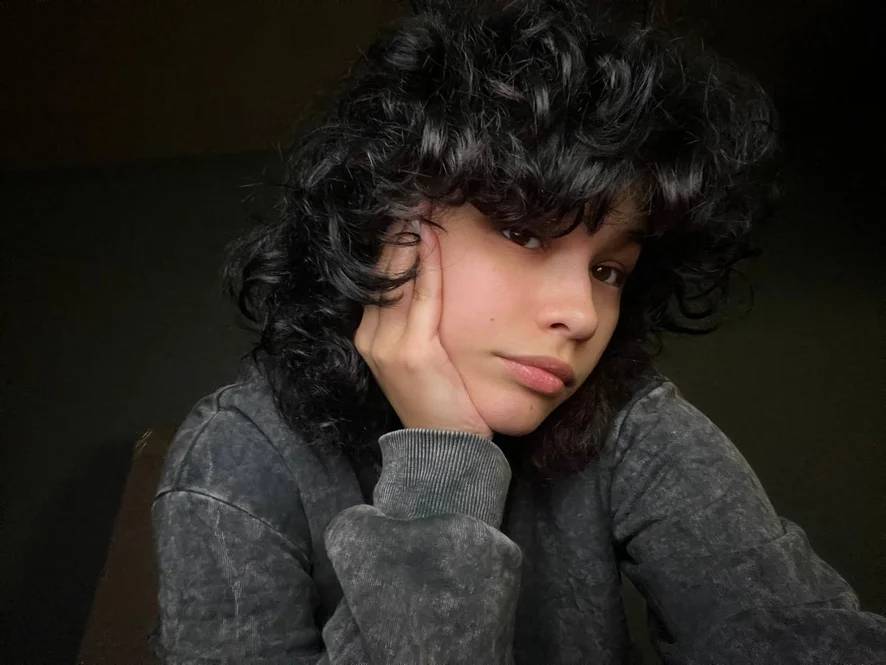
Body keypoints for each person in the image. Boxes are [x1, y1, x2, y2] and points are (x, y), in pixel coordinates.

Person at [150, 0, 886, 663]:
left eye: (609, 270)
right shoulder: (236, 461)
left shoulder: (630, 424)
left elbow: (796, 632)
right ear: (385, 224)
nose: (582, 314)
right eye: (524, 233)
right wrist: (442, 471)